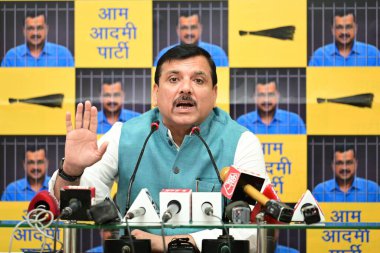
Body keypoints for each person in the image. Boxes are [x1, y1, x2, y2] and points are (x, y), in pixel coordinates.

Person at [49, 44, 268, 252]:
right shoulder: (123, 135)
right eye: (173, 79)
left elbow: (254, 228)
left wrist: (172, 242)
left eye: (198, 81)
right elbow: (76, 207)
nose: (185, 88)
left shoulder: (241, 141)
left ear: (214, 94)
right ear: (155, 92)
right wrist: (71, 171)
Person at [154, 11, 228, 66]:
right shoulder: (164, 54)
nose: (189, 32)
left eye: (193, 27)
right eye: (184, 28)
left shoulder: (217, 53)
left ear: (200, 29)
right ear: (177, 30)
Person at [1, 11, 74, 67]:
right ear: (24, 31)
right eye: (30, 28)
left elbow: (72, 84)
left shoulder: (63, 54)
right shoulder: (11, 56)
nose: (35, 33)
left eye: (39, 28)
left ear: (46, 29)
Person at [309, 10, 380, 66]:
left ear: (356, 28)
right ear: (332, 30)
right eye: (339, 27)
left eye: (348, 27)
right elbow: (312, 83)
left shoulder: (373, 54)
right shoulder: (319, 55)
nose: (344, 32)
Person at [236, 79, 306, 134]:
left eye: (270, 95)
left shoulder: (294, 121)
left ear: (278, 96)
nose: (266, 100)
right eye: (261, 95)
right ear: (254, 97)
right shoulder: (243, 122)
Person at [312, 145, 380, 202]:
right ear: (333, 165)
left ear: (356, 164)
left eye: (349, 162)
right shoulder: (319, 191)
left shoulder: (373, 190)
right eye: (339, 163)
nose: (344, 168)